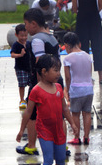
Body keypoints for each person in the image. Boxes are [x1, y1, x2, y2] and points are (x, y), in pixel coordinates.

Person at [16, 55, 75, 165]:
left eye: (59, 70)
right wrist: (21, 130)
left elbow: (64, 109)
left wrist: (72, 123)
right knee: (48, 158)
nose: (58, 74)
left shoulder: (59, 88)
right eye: (55, 70)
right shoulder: (36, 90)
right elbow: (29, 112)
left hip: (59, 129)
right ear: (44, 71)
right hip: (45, 131)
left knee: (61, 158)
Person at [16, 8, 62, 156]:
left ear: (34, 24)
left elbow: (40, 64)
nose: (26, 27)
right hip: (56, 81)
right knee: (59, 114)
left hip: (42, 83)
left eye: (26, 24)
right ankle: (62, 145)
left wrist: (38, 87)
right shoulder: (52, 38)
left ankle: (31, 145)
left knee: (32, 115)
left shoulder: (36, 40)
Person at [72, 0, 102, 86]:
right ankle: (86, 77)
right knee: (83, 50)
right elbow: (74, 8)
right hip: (82, 23)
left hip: (95, 22)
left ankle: (101, 77)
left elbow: (100, 5)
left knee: (98, 48)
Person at [62, 32, 94, 145]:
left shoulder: (67, 58)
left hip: (76, 89)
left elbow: (67, 77)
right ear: (78, 43)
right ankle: (86, 137)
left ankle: (76, 137)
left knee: (75, 113)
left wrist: (68, 90)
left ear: (67, 45)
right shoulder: (87, 56)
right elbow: (89, 73)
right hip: (89, 89)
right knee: (87, 113)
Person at [10, 23, 30, 109]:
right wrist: (20, 55)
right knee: (22, 84)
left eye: (25, 35)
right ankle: (22, 100)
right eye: (22, 36)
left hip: (29, 67)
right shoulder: (16, 45)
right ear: (16, 35)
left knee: (31, 83)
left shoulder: (28, 43)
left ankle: (29, 98)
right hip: (20, 68)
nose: (24, 38)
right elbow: (12, 55)